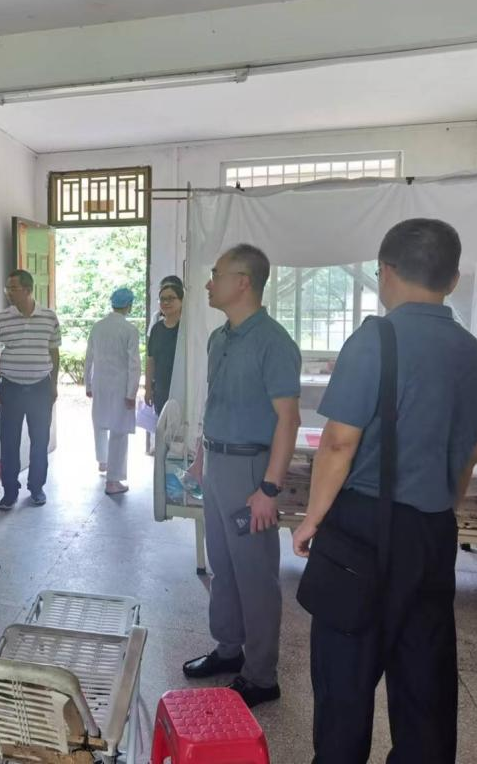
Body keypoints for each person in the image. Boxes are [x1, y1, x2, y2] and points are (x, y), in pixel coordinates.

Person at [293, 219, 477, 764]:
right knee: (424, 683)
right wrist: (443, 505)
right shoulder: (476, 356)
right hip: (432, 533)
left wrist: (313, 517)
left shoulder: (375, 340)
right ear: (452, 280)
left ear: (384, 272)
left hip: (361, 533)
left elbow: (339, 442)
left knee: (344, 680)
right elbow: (470, 452)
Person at [181, 243, 301, 708]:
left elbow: (288, 419)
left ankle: (262, 674)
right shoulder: (220, 338)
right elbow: (214, 403)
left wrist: (269, 488)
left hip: (251, 468)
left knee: (255, 573)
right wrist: (200, 456)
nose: (208, 284)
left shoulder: (274, 342)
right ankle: (228, 648)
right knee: (223, 564)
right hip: (217, 463)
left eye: (216, 274)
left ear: (243, 282)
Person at [0, 269, 62, 510]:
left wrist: (53, 384)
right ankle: (9, 491)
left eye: (13, 288)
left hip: (40, 388)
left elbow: (54, 352)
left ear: (28, 290)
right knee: (9, 442)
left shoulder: (49, 317)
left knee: (40, 440)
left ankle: (36, 488)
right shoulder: (0, 319)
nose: (8, 292)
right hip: (11, 389)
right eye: (7, 288)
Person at [85, 288, 141, 495]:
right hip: (120, 386)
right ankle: (113, 481)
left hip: (100, 383)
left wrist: (88, 384)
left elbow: (89, 358)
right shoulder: (130, 330)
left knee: (100, 423)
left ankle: (103, 461)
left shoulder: (97, 327)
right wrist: (131, 393)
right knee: (119, 431)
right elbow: (134, 364)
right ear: (129, 305)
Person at [145, 276, 184, 414]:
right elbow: (151, 360)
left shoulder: (187, 329)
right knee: (161, 424)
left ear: (181, 300)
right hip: (161, 390)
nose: (166, 302)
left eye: (171, 298)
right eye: (162, 299)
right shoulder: (156, 329)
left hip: (183, 390)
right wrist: (148, 388)